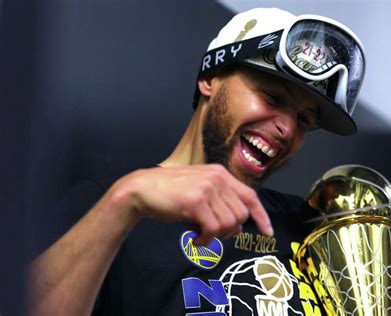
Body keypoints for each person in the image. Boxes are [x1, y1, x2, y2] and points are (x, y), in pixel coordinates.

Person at [27, 7, 365, 316]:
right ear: (210, 78)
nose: (287, 128)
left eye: (304, 121)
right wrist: (123, 203)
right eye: (272, 97)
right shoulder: (107, 204)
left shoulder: (309, 226)